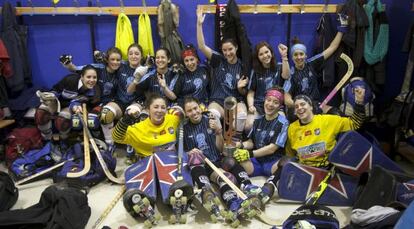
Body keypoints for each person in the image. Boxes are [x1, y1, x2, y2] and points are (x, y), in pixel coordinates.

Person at [263, 87, 366, 192]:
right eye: (296, 106)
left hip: (328, 170)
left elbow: (355, 123)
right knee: (285, 161)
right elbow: (290, 153)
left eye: (303, 104)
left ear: (311, 107)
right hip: (305, 170)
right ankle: (268, 188)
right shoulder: (292, 128)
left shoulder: (328, 120)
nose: (299, 108)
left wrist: (359, 102)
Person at [182, 97, 266, 218]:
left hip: (218, 158)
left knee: (230, 160)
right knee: (224, 178)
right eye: (189, 110)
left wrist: (218, 132)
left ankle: (247, 185)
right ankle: (230, 201)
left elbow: (221, 149)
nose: (194, 112)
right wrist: (190, 152)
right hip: (204, 165)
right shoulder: (183, 129)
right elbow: (181, 153)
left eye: (195, 108)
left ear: (200, 107)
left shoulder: (210, 120)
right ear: (186, 113)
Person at [197, 8, 248, 136]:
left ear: (236, 48)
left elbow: (244, 92)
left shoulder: (243, 65)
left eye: (230, 49)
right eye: (224, 50)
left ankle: (234, 143)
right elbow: (202, 46)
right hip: (218, 101)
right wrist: (199, 24)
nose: (227, 53)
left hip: (236, 101)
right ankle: (220, 140)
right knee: (212, 115)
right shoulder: (218, 60)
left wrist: (240, 88)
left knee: (241, 115)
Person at [233, 87, 289, 204]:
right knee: (231, 158)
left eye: (275, 102)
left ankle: (267, 189)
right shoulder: (258, 120)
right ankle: (247, 186)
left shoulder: (283, 123)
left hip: (273, 163)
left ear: (280, 106)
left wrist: (249, 153)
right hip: (257, 162)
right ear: (264, 100)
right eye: (268, 100)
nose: (270, 104)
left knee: (287, 162)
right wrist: (240, 145)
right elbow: (252, 142)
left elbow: (272, 149)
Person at [285, 14, 349, 114]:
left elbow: (332, 48)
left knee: (336, 113)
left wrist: (342, 29)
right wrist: (298, 106)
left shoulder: (312, 63)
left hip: (315, 104)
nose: (299, 57)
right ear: (292, 57)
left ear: (305, 55)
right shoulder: (291, 73)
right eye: (295, 55)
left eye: (301, 54)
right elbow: (286, 98)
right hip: (300, 107)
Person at [35, 65, 101, 143]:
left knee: (63, 119)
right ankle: (47, 139)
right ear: (82, 77)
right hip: (57, 102)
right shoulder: (70, 79)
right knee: (41, 113)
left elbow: (77, 103)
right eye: (88, 77)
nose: (92, 80)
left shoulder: (94, 92)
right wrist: (51, 96)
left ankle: (63, 141)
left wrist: (76, 107)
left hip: (70, 107)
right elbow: (56, 89)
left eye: (94, 77)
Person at [112, 93, 183, 158]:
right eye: (156, 107)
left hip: (171, 161)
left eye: (163, 107)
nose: (159, 110)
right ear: (148, 109)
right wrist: (124, 122)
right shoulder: (138, 128)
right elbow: (117, 138)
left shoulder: (173, 119)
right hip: (147, 164)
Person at [246, 42, 290, 132]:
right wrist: (250, 106)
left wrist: (284, 56)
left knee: (282, 124)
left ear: (271, 53)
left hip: (276, 106)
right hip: (259, 106)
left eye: (267, 52)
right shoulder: (255, 71)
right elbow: (251, 93)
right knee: (248, 125)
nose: (265, 56)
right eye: (261, 54)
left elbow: (286, 76)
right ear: (258, 57)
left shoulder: (280, 66)